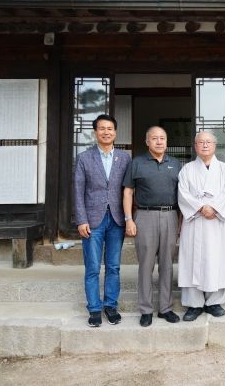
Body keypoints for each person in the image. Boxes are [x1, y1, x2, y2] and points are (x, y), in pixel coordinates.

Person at [73, 114, 131, 327]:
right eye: (102, 128)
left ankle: (110, 306)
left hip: (116, 219)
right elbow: (78, 191)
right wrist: (81, 219)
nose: (106, 132)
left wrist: (129, 218)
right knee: (93, 267)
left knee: (114, 266)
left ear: (115, 132)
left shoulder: (124, 158)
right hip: (92, 220)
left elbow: (128, 190)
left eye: (110, 129)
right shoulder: (84, 158)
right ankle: (94, 308)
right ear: (95, 132)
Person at [123, 126, 182, 327]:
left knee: (167, 264)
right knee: (146, 265)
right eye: (154, 138)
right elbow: (128, 192)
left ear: (166, 141)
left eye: (162, 138)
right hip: (145, 216)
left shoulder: (175, 164)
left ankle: (165, 308)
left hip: (170, 215)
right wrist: (129, 219)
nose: (159, 142)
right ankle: (146, 309)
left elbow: (182, 194)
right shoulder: (137, 163)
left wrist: (180, 222)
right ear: (147, 141)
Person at [177, 131, 225, 321]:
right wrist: (200, 207)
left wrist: (214, 208)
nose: (205, 145)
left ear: (214, 145)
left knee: (218, 258)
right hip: (195, 220)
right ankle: (194, 304)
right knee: (191, 259)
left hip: (217, 222)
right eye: (201, 142)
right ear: (195, 146)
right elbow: (183, 194)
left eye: (208, 142)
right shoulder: (186, 169)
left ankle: (215, 302)